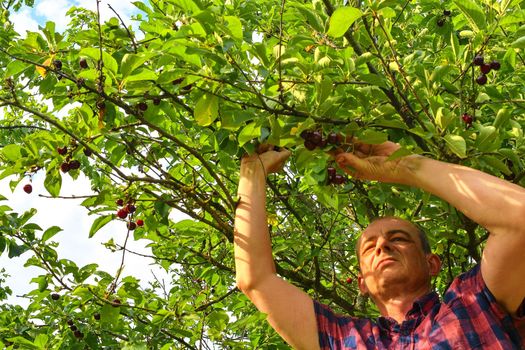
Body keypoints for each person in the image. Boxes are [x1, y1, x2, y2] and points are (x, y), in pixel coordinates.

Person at [233, 140, 525, 349]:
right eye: (369, 247)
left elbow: (520, 217)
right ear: (361, 283)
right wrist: (251, 172)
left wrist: (407, 166)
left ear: (432, 262)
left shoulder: (472, 301)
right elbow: (256, 279)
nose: (382, 246)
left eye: (398, 239)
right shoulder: (343, 339)